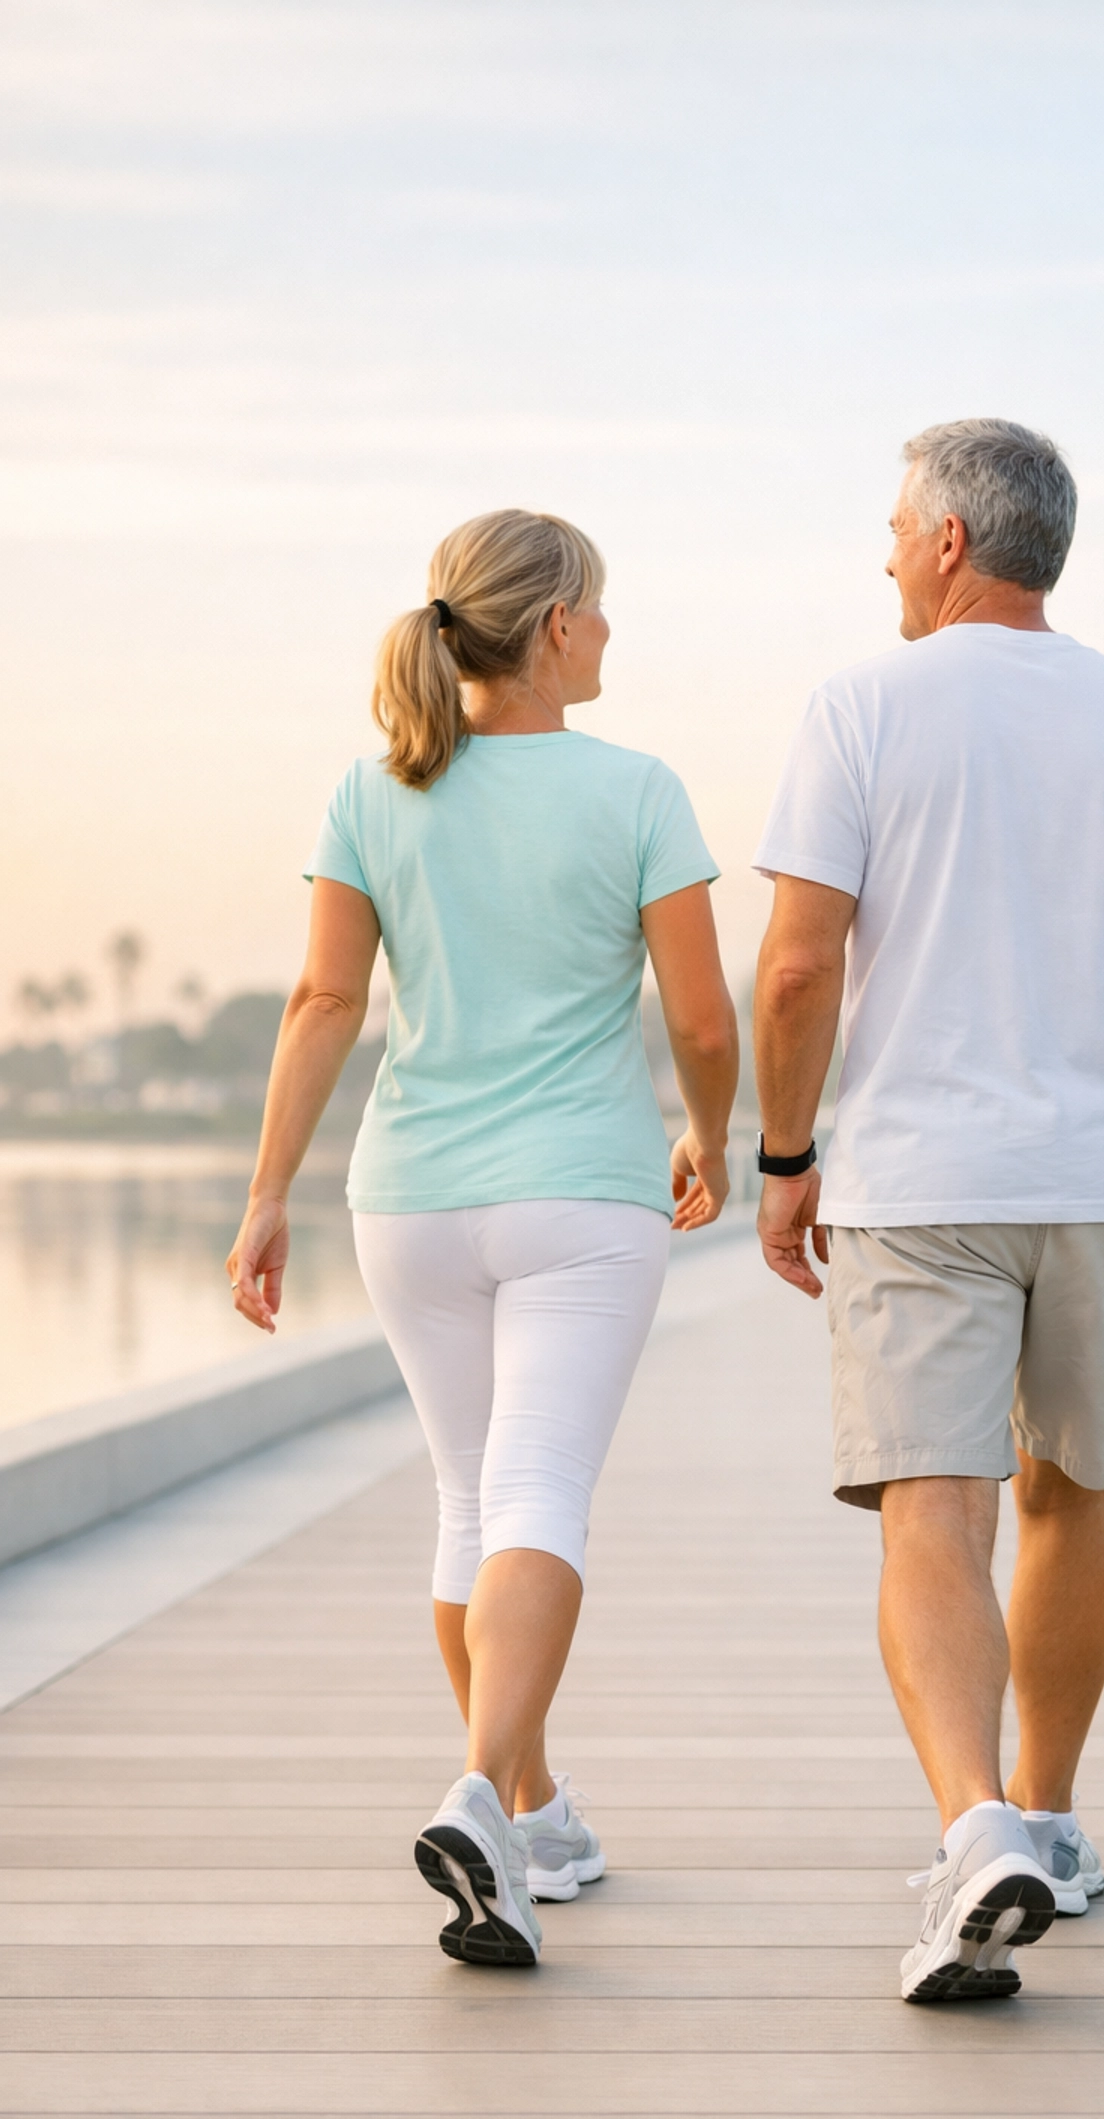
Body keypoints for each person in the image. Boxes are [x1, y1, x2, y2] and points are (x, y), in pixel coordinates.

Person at [751, 419, 1104, 2003]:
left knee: (937, 1503)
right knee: (1071, 1495)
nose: (885, 555)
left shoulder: (858, 707)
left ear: (952, 544)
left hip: (921, 1183)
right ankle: (1044, 1817)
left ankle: (973, 1825)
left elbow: (792, 965)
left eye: (896, 528)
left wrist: (785, 1164)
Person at [227, 508, 738, 1969]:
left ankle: (532, 1812)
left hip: (408, 1200)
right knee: (538, 1499)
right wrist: (713, 1132)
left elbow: (322, 1007)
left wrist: (265, 1194)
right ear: (557, 626)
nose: (615, 631)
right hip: (580, 1195)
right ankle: (483, 1800)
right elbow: (701, 1019)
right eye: (604, 607)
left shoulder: (373, 790)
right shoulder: (639, 789)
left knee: (472, 1503)